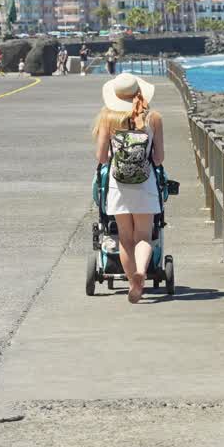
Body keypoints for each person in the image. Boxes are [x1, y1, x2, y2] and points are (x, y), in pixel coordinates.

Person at [93, 73, 164, 303]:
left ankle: (133, 282)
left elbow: (102, 158)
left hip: (118, 184)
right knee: (143, 235)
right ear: (140, 92)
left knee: (125, 237)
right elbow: (159, 158)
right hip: (146, 183)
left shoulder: (108, 117)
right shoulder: (153, 117)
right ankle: (142, 271)